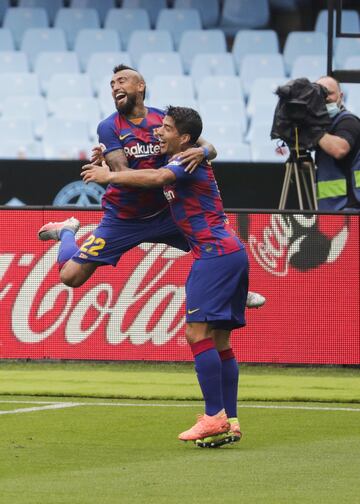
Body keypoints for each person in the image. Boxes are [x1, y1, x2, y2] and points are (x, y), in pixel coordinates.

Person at [81, 106, 249, 448]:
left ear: (183, 138)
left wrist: (108, 177)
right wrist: (109, 161)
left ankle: (213, 417)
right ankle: (229, 421)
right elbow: (150, 173)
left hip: (214, 254)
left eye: (167, 128)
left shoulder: (184, 163)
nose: (159, 131)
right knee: (220, 341)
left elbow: (157, 179)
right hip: (229, 251)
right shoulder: (185, 157)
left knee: (195, 333)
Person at [38, 63, 265, 308]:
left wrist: (201, 151)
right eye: (112, 84)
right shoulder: (109, 127)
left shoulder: (163, 120)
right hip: (124, 218)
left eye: (122, 81)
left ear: (140, 86)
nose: (116, 87)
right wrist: (111, 172)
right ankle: (67, 231)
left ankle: (237, 293)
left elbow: (211, 148)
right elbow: (122, 172)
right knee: (70, 277)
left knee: (219, 242)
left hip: (166, 214)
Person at [315, 76, 360, 211]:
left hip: (350, 206)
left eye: (329, 93)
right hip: (330, 208)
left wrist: (313, 130)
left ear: (341, 96)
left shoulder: (348, 121)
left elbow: (339, 150)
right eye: (320, 94)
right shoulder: (322, 126)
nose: (325, 98)